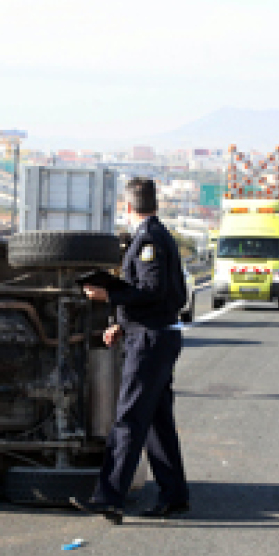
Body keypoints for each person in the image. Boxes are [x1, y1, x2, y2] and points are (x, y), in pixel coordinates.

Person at [75, 177, 190, 524]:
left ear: (128, 207)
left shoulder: (149, 240)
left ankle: (109, 497)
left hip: (151, 342)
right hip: (155, 334)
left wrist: (109, 296)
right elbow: (160, 296)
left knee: (128, 420)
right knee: (156, 422)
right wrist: (122, 323)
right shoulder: (157, 235)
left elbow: (152, 290)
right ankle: (174, 496)